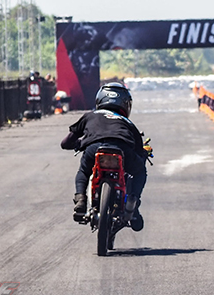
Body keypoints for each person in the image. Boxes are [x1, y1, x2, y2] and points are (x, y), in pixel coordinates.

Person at [60, 82, 149, 231]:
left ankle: (81, 198)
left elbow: (65, 142)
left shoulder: (89, 115)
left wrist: (78, 144)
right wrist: (143, 154)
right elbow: (139, 149)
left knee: (83, 171)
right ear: (126, 103)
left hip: (94, 149)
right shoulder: (127, 122)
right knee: (140, 172)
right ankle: (133, 201)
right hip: (122, 150)